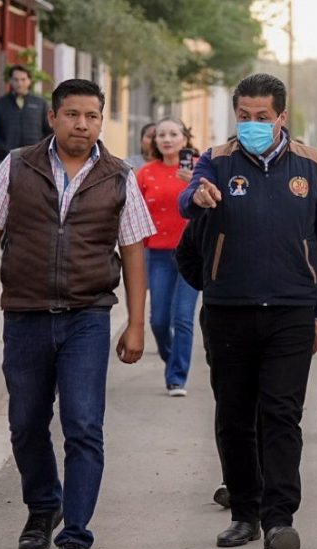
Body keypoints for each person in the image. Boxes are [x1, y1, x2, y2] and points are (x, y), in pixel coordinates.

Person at [0, 78, 155, 549]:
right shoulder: (17, 165)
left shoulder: (119, 175)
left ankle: (75, 537)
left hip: (88, 317)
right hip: (26, 313)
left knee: (83, 426)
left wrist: (136, 323)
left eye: (92, 116)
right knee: (26, 423)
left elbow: (133, 250)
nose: (83, 124)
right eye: (72, 114)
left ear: (100, 121)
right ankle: (43, 506)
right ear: (51, 118)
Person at [179, 73, 317, 549]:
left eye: (262, 117)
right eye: (244, 117)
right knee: (233, 415)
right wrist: (199, 197)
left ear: (282, 117)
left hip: (292, 312)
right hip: (229, 310)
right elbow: (188, 199)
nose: (253, 125)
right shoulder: (217, 160)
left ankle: (279, 521)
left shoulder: (311, 165)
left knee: (280, 415)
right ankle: (244, 513)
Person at [137, 118, 200, 396]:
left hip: (192, 253)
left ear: (184, 139)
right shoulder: (145, 173)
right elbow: (135, 215)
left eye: (174, 134)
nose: (167, 139)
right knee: (159, 320)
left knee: (183, 318)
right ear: (154, 141)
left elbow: (214, 203)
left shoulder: (200, 168)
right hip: (158, 254)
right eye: (161, 134)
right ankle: (171, 356)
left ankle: (177, 377)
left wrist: (196, 183)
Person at [0, 64, 53, 169]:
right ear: (11, 81)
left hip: (35, 162)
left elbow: (50, 130)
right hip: (7, 161)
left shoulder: (40, 104)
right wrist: (3, 149)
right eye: (16, 79)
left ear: (29, 81)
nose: (19, 83)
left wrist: (40, 151)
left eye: (23, 79)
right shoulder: (1, 104)